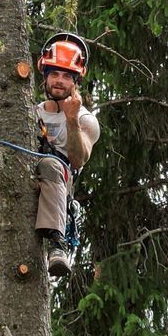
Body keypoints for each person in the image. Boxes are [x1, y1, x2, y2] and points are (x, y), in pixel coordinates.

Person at [34, 32, 100, 278]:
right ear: (45, 77)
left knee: (50, 163)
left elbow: (78, 159)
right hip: (27, 170)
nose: (59, 81)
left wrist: (71, 120)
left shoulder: (85, 120)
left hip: (59, 178)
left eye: (65, 76)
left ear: (75, 83)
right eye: (54, 74)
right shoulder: (31, 113)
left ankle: (57, 245)